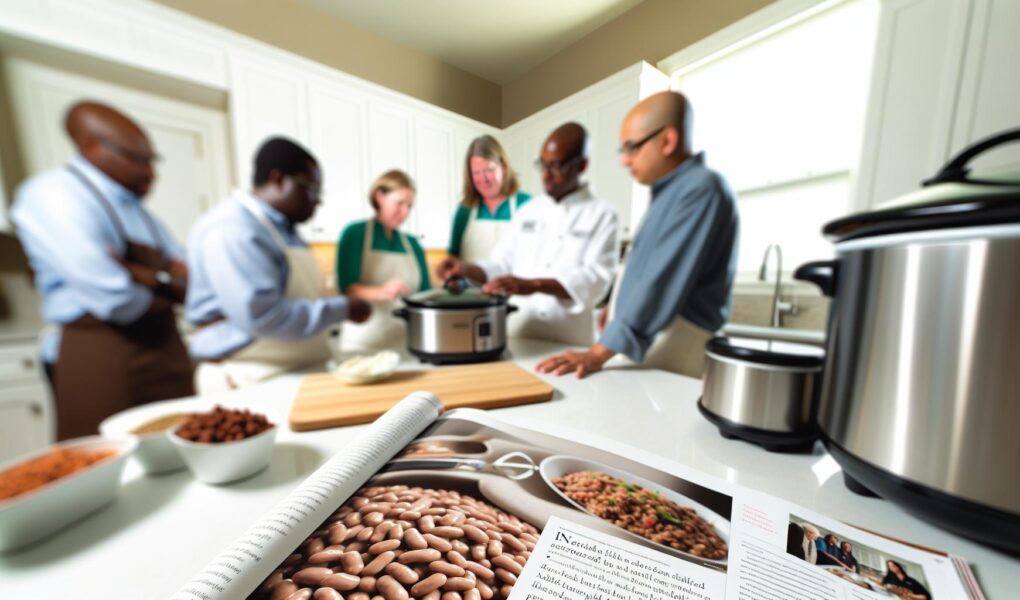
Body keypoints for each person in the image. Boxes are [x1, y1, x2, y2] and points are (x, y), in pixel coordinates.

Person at [11, 101, 193, 439]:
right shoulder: (54, 195)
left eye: (152, 160)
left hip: (167, 349)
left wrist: (136, 271)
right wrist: (162, 280)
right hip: (104, 354)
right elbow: (115, 299)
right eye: (138, 160)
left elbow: (190, 281)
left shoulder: (140, 212)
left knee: (187, 451)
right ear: (90, 147)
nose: (151, 173)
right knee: (108, 465)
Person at [537, 91, 739, 378]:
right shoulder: (670, 193)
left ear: (667, 140)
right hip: (655, 335)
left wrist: (599, 351)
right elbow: (644, 266)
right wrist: (616, 307)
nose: (625, 161)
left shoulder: (701, 189)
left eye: (632, 148)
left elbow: (662, 279)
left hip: (678, 341)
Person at [186, 137, 370, 391]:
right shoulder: (234, 228)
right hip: (249, 374)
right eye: (312, 188)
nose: (318, 200)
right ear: (278, 179)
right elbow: (265, 317)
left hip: (292, 370)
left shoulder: (284, 229)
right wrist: (343, 308)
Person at [436, 122, 619, 346]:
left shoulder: (603, 214)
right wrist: (465, 269)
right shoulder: (529, 211)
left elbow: (596, 281)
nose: (546, 175)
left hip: (569, 341)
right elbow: (501, 263)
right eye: (542, 165)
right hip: (517, 333)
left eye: (556, 166)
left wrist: (533, 285)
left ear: (581, 165)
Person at [334, 169, 430, 351]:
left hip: (406, 343)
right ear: (380, 197)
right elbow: (348, 289)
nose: (404, 212)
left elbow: (425, 294)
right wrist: (383, 291)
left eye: (409, 206)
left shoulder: (413, 244)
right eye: (399, 203)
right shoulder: (354, 234)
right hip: (362, 342)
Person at [447, 135, 531, 263]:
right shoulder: (464, 211)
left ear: (503, 168)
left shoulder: (526, 205)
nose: (483, 180)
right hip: (471, 284)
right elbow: (453, 259)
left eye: (489, 170)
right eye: (476, 173)